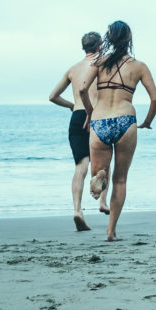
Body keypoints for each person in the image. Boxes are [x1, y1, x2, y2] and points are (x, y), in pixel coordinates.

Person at [79, 21, 156, 242]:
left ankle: (99, 175)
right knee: (121, 179)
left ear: (109, 38)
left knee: (99, 171)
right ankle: (111, 231)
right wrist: (146, 122)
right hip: (126, 121)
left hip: (100, 120)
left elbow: (82, 89)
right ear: (129, 39)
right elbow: (155, 99)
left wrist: (89, 112)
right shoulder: (139, 66)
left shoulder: (99, 61)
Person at [48, 31, 103, 231]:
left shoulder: (72, 69)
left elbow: (53, 96)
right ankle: (102, 202)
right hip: (96, 116)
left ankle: (77, 210)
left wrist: (72, 106)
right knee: (103, 163)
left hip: (77, 117)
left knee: (81, 167)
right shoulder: (102, 64)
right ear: (100, 46)